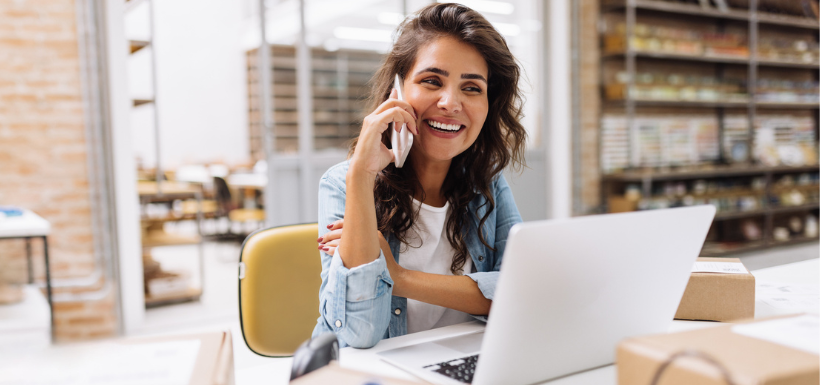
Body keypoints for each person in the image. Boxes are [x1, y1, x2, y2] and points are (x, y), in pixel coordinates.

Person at [312, 3, 527, 349]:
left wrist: (398, 277)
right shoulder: (344, 183)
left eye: (471, 88)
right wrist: (361, 175)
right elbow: (357, 333)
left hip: (456, 364)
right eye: (432, 81)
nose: (450, 102)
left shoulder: (486, 184)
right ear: (396, 92)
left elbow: (518, 294)